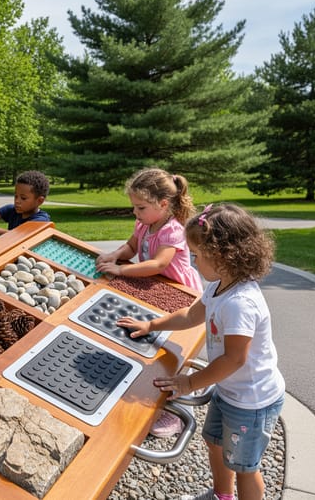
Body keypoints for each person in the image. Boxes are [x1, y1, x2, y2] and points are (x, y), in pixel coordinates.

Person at [120, 203, 285, 500]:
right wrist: (152, 324)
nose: (193, 262)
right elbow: (190, 315)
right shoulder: (219, 286)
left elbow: (234, 359)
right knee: (215, 443)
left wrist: (190, 383)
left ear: (221, 256)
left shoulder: (240, 303)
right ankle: (222, 496)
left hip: (252, 401)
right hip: (231, 391)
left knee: (245, 466)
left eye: (196, 255)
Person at [95, 167, 203, 438]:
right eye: (134, 207)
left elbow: (158, 264)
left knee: (173, 353)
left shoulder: (173, 230)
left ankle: (175, 410)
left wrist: (121, 269)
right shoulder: (144, 223)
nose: (135, 212)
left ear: (163, 204)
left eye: (140, 207)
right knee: (151, 345)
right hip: (155, 289)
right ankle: (150, 392)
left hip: (180, 294)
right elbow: (131, 247)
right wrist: (114, 255)